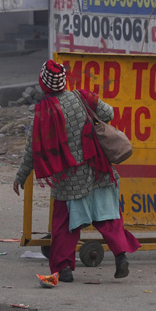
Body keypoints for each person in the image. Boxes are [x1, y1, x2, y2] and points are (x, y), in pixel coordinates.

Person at [13, 60, 139, 287]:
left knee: (64, 225)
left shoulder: (42, 114)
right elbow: (108, 112)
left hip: (68, 180)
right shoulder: (83, 97)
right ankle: (121, 256)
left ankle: (64, 269)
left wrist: (21, 176)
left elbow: (32, 149)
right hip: (98, 170)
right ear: (63, 82)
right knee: (109, 218)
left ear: (44, 84)